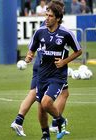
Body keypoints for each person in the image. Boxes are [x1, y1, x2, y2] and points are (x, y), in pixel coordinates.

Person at [11, 0, 70, 137]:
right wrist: (29, 56)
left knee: (62, 93)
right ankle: (52, 125)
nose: (48, 17)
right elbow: (35, 46)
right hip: (46, 66)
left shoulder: (56, 28)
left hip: (50, 66)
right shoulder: (47, 26)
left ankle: (52, 126)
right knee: (39, 97)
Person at [25, 1, 82, 139]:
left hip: (57, 75)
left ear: (57, 18)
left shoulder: (65, 33)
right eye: (46, 15)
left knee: (46, 103)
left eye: (50, 16)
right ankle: (45, 134)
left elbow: (78, 51)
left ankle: (60, 120)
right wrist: (29, 56)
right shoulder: (39, 32)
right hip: (42, 74)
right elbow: (31, 50)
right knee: (41, 107)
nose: (47, 18)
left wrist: (64, 62)